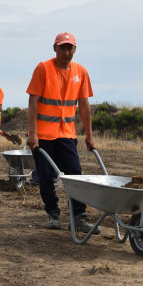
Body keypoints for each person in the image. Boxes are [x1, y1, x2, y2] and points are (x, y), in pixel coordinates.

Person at [26, 32, 100, 234]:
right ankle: (53, 212)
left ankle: (79, 216)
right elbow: (33, 102)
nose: (66, 52)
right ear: (55, 48)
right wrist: (33, 133)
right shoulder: (43, 69)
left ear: (75, 49)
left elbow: (84, 105)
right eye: (62, 48)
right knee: (46, 176)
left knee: (76, 174)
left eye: (70, 48)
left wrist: (89, 135)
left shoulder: (81, 72)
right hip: (43, 135)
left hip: (67, 134)